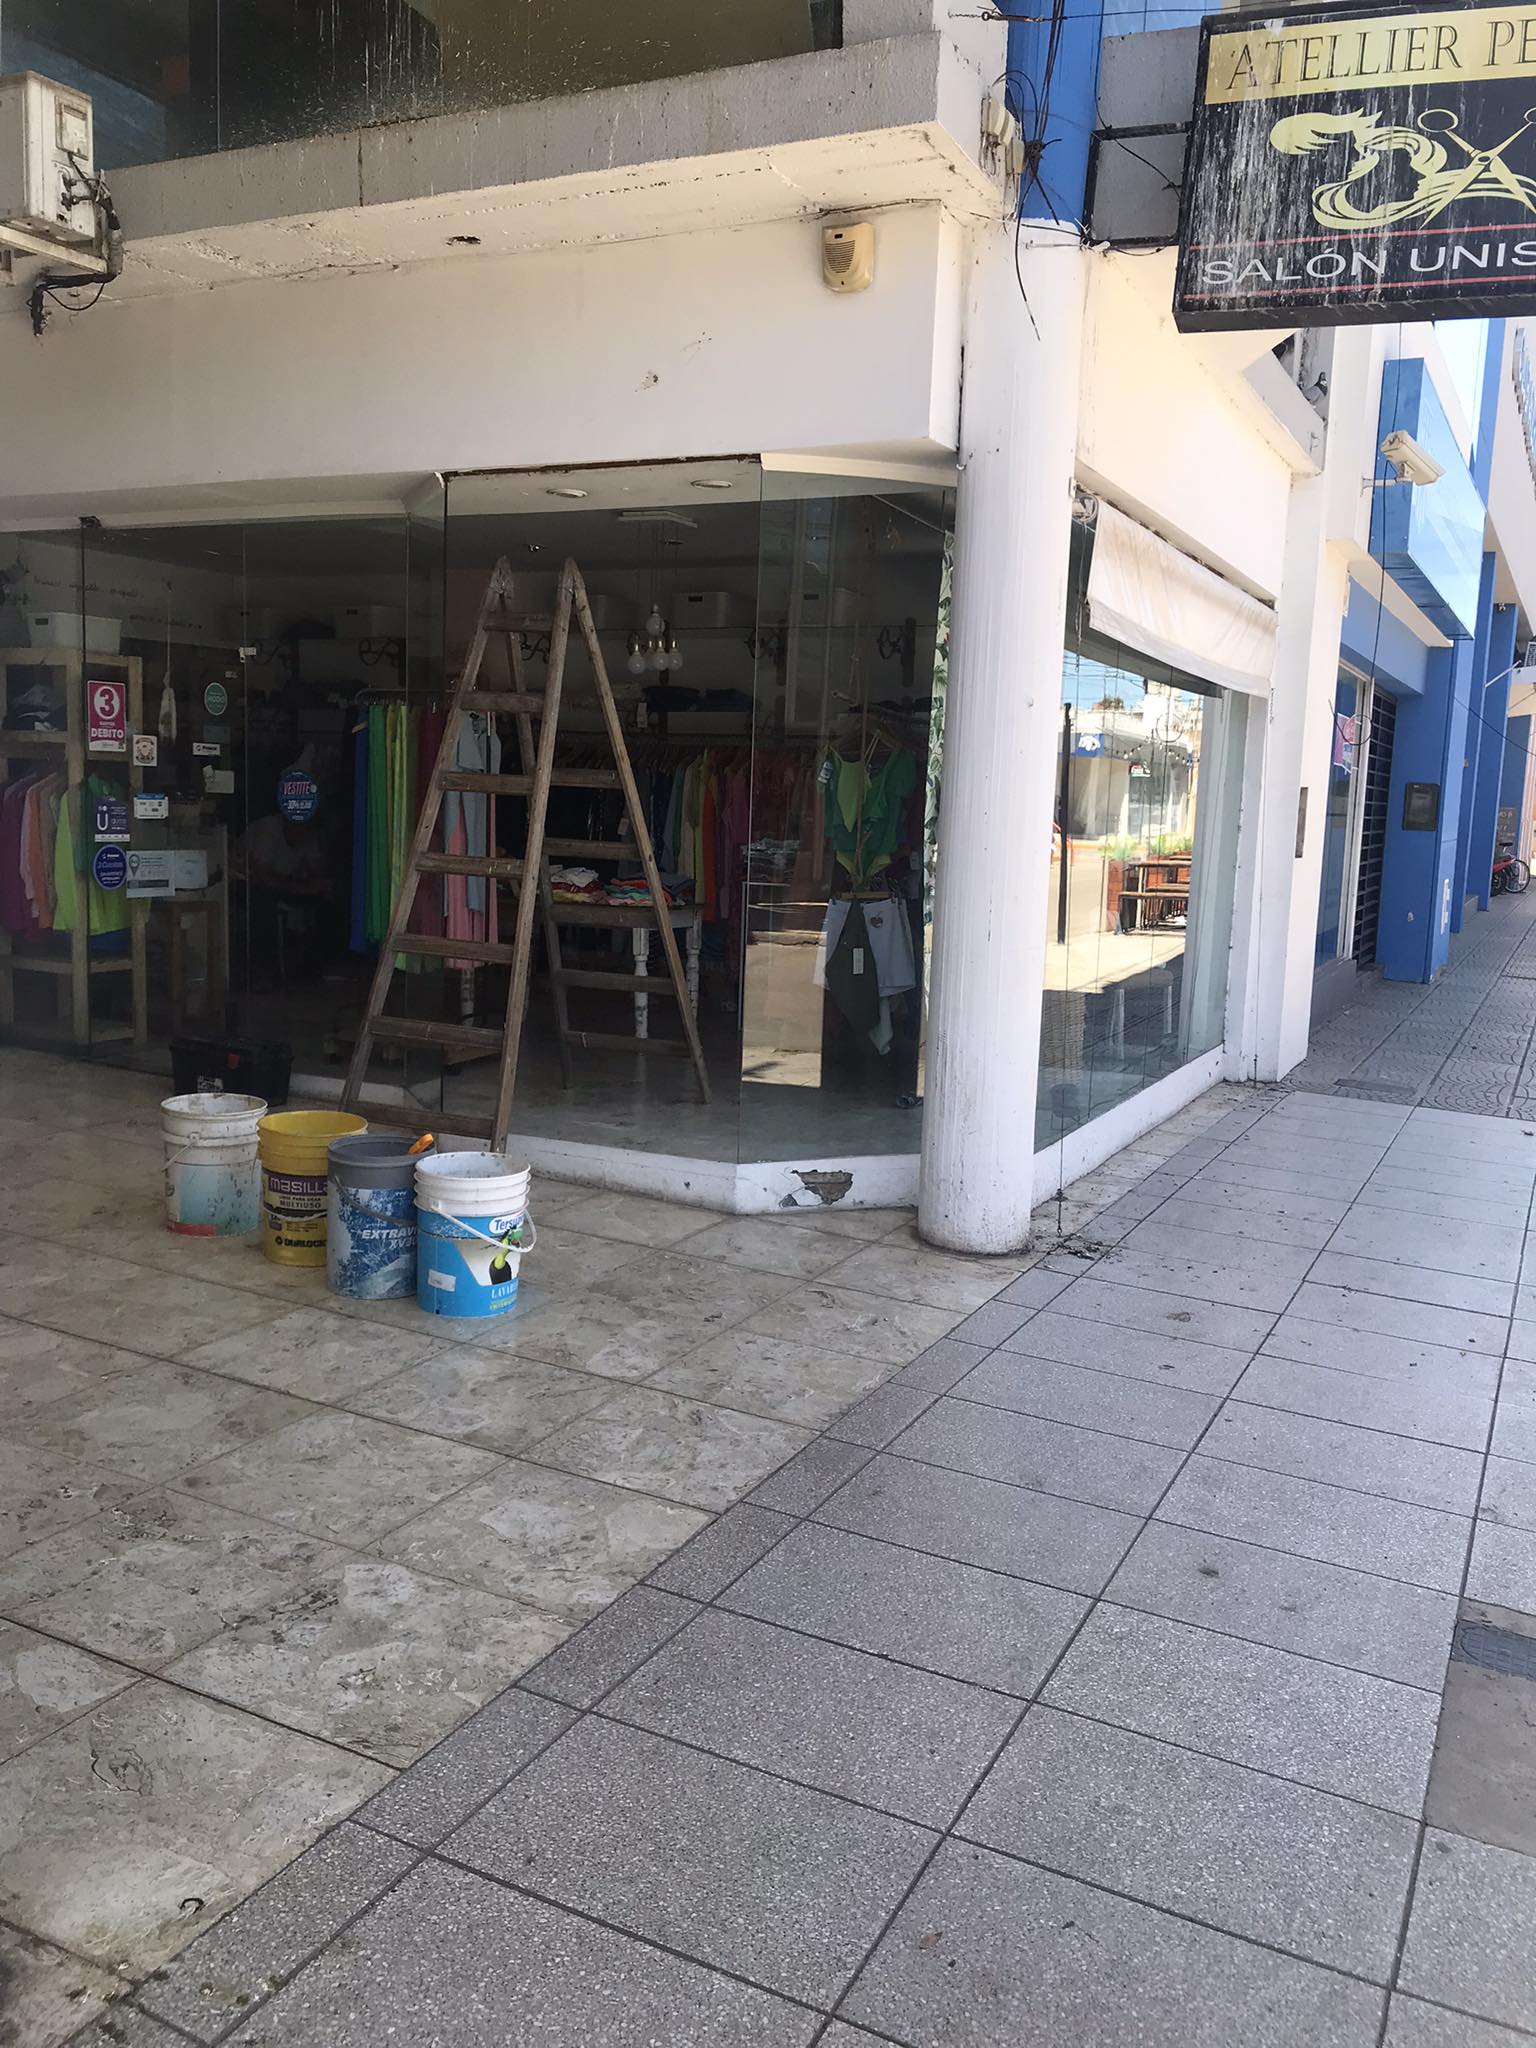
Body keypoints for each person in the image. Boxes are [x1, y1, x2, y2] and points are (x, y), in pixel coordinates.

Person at [238, 813, 331, 980]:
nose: (303, 832)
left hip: (284, 885)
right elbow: (261, 874)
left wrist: (318, 884)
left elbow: (317, 871)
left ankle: (311, 968)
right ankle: (262, 971)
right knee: (263, 903)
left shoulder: (309, 836)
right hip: (243, 884)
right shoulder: (268, 829)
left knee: (321, 902)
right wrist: (299, 887)